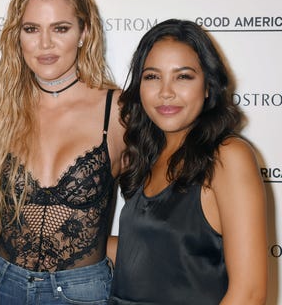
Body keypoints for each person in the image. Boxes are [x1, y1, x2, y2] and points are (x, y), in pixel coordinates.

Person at [0, 0, 125, 305]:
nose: (45, 44)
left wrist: (108, 252)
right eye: (32, 29)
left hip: (83, 292)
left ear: (84, 32)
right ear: (18, 36)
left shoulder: (118, 112)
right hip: (1, 286)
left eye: (60, 28)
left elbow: (158, 213)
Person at [109, 19, 267, 304]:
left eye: (183, 76)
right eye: (152, 77)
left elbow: (250, 293)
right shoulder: (148, 156)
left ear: (208, 86)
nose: (166, 91)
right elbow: (157, 255)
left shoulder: (228, 156)